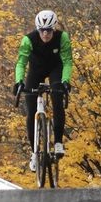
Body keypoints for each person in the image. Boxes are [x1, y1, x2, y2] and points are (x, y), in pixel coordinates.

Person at [13, 9, 73, 172]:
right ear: (38, 29)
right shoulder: (28, 40)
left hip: (55, 68)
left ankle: (58, 142)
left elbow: (67, 61)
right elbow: (21, 63)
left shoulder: (62, 38)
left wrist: (65, 81)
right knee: (31, 111)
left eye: (49, 30)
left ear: (54, 29)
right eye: (42, 30)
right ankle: (34, 153)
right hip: (36, 70)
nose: (45, 34)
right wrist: (19, 81)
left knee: (57, 97)